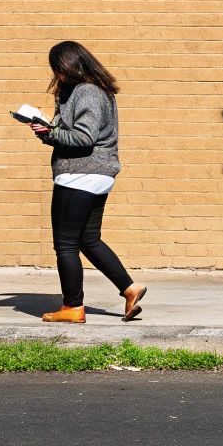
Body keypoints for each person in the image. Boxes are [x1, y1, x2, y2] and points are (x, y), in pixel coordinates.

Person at [25, 41, 147, 323]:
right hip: (96, 175)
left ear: (68, 66)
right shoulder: (93, 91)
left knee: (65, 244)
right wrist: (50, 130)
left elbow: (84, 138)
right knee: (88, 239)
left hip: (80, 174)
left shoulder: (87, 92)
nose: (56, 75)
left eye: (57, 69)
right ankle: (130, 288)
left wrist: (49, 132)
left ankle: (72, 307)